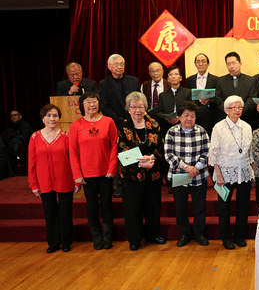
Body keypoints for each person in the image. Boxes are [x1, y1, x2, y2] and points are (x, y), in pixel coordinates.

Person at [69, 92, 118, 250]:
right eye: (88, 102)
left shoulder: (108, 122)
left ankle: (108, 237)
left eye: (94, 101)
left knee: (106, 205)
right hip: (86, 174)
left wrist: (112, 169)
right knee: (91, 207)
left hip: (106, 173)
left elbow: (114, 146)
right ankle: (96, 238)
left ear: (99, 103)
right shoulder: (76, 125)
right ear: (82, 106)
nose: (92, 105)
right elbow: (72, 151)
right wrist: (77, 175)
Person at [118, 92, 166, 251]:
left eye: (140, 107)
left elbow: (161, 146)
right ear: (128, 109)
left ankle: (153, 234)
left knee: (153, 205)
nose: (137, 110)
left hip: (153, 172)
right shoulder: (123, 126)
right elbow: (122, 149)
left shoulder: (154, 124)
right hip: (131, 175)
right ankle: (135, 238)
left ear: (146, 107)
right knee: (133, 208)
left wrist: (152, 158)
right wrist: (141, 163)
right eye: (134, 107)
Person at [28, 104, 78, 253]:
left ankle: (66, 242)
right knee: (49, 213)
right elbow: (31, 163)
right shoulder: (35, 137)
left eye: (55, 115)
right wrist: (34, 183)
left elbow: (73, 159)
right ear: (43, 118)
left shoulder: (66, 136)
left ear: (59, 118)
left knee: (65, 212)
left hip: (65, 179)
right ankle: (53, 243)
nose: (52, 118)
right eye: (48, 115)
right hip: (44, 181)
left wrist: (77, 180)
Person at [209, 96, 254, 250]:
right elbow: (213, 152)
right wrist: (219, 175)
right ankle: (226, 238)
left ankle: (239, 236)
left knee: (243, 206)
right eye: (233, 108)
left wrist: (252, 172)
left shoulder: (247, 126)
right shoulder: (219, 127)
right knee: (224, 207)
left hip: (244, 172)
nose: (237, 110)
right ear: (226, 110)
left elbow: (250, 152)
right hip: (225, 173)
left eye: (239, 107)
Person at [164, 101, 210, 247]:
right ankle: (184, 234)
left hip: (199, 175)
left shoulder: (201, 131)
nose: (189, 119)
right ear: (178, 117)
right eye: (186, 115)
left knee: (200, 207)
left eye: (192, 116)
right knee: (180, 207)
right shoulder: (171, 132)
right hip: (179, 175)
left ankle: (199, 234)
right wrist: (186, 167)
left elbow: (207, 152)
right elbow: (168, 154)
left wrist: (196, 168)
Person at [214, 52, 259, 128]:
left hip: (246, 118)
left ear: (240, 63)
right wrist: (229, 112)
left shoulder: (251, 80)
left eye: (233, 63)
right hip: (227, 120)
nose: (231, 66)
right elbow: (218, 100)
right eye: (228, 64)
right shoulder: (220, 81)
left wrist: (240, 110)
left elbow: (252, 99)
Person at [98, 54, 139, 127]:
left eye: (121, 64)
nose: (119, 67)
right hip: (115, 123)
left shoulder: (133, 81)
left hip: (134, 121)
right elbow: (105, 107)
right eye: (116, 64)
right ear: (109, 66)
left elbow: (138, 101)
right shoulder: (104, 84)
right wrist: (120, 120)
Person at [149, 65, 192, 133]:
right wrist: (167, 118)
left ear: (180, 78)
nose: (173, 76)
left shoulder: (188, 92)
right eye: (170, 75)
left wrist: (179, 118)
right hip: (167, 127)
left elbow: (191, 109)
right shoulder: (163, 95)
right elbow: (157, 112)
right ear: (168, 79)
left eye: (176, 74)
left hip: (184, 125)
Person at [185, 53, 218, 133]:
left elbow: (218, 97)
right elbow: (188, 97)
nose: (200, 64)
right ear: (195, 64)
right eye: (198, 62)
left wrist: (209, 101)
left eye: (203, 61)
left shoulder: (216, 80)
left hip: (210, 115)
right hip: (194, 115)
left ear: (208, 64)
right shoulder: (189, 80)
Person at [1, 110, 34, 176]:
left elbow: (24, 138)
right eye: (11, 116)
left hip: (25, 149)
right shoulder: (10, 128)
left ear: (20, 116)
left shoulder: (25, 126)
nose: (13, 117)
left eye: (15, 115)